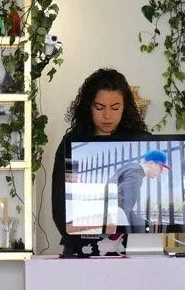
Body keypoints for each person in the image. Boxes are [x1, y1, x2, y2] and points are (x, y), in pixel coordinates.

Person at [51, 69, 149, 251]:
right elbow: (60, 206)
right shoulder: (71, 145)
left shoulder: (140, 143)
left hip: (134, 247)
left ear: (125, 107)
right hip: (80, 245)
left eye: (115, 108)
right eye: (99, 107)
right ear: (89, 107)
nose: (107, 116)